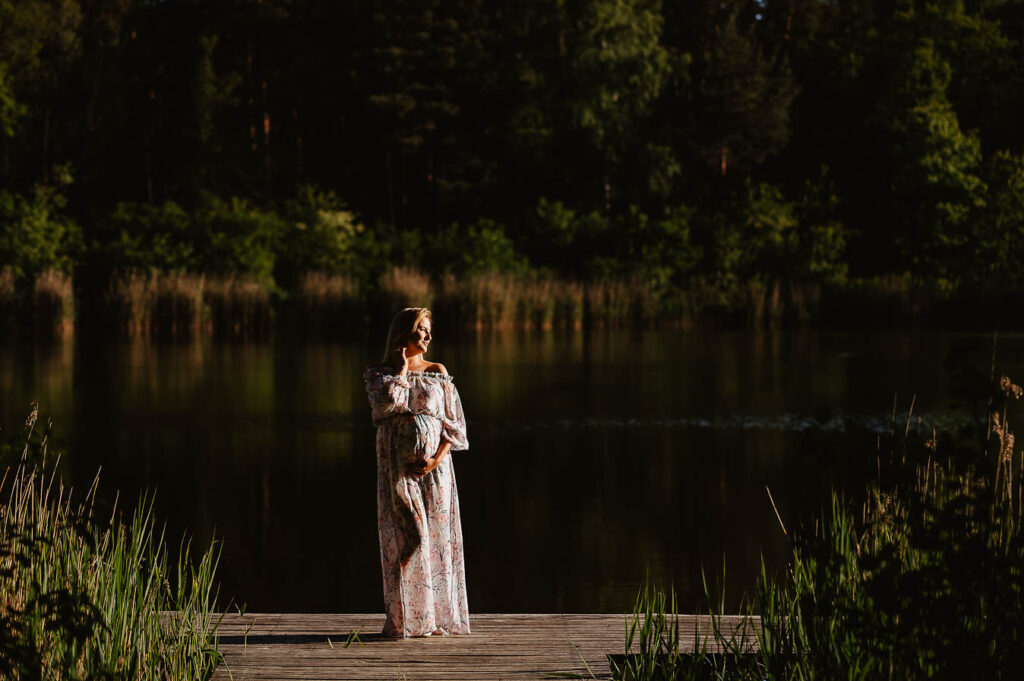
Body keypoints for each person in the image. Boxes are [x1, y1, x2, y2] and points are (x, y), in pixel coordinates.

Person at [363, 307, 470, 638]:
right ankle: (403, 617)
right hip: (396, 471)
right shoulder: (380, 374)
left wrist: (435, 460)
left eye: (428, 329)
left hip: (436, 472)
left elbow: (455, 426)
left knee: (435, 541)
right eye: (421, 329)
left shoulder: (438, 372)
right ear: (403, 332)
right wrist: (402, 369)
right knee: (411, 538)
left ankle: (430, 620)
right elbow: (385, 404)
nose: (428, 335)